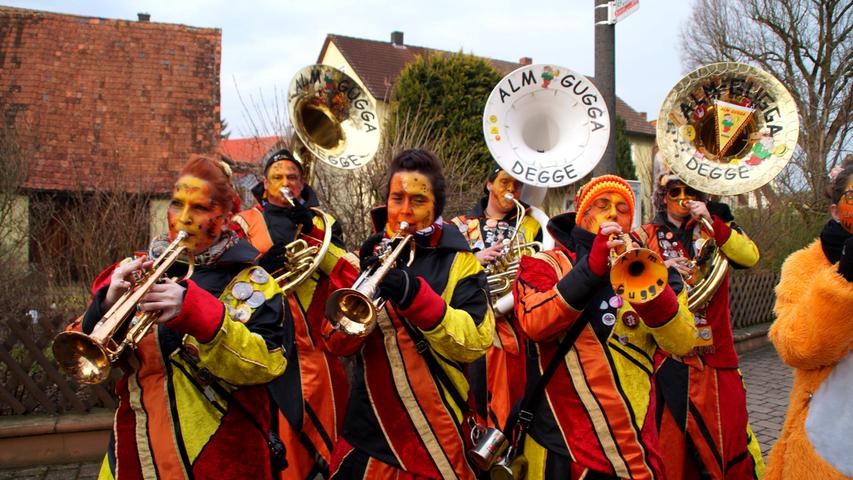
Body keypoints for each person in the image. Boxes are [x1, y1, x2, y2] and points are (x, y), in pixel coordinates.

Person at [82, 155, 291, 480]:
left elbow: (268, 365)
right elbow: (90, 346)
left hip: (218, 457)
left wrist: (197, 314)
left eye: (201, 208)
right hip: (134, 449)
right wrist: (108, 301)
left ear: (227, 215)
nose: (184, 219)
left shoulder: (254, 282)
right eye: (178, 204)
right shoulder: (138, 268)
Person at [322, 149, 495, 479]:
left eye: (418, 200)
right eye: (397, 198)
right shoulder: (366, 255)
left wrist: (415, 297)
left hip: (438, 431)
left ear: (436, 206)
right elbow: (333, 341)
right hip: (370, 430)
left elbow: (476, 341)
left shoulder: (462, 263)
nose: (404, 210)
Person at [513, 175, 697, 479]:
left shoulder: (657, 271)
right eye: (602, 205)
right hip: (558, 444)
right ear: (581, 213)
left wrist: (649, 294)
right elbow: (533, 323)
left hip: (631, 446)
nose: (613, 214)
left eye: (623, 209)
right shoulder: (544, 263)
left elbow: (683, 342)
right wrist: (591, 269)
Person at [233, 149, 356, 479]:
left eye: (292, 177)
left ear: (303, 183)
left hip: (317, 347)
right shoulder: (244, 222)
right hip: (266, 346)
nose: (285, 183)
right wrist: (262, 268)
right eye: (277, 177)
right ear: (264, 183)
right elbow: (229, 287)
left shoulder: (324, 222)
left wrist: (313, 232)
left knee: (331, 445)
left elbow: (346, 274)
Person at [635, 171, 764, 479]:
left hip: (715, 355)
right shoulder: (644, 233)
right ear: (663, 197)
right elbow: (629, 276)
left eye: (690, 192)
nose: (682, 198)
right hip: (666, 359)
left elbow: (749, 257)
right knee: (670, 452)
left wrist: (713, 221)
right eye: (674, 191)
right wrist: (659, 268)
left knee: (725, 445)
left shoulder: (716, 227)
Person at [766, 158, 853, 479]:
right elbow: (797, 348)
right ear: (834, 210)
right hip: (828, 443)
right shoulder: (804, 265)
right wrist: (844, 279)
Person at [451, 167, 543, 432]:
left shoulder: (532, 225)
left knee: (517, 405)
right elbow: (443, 269)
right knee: (471, 402)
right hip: (470, 325)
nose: (511, 190)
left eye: (517, 185)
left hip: (517, 329)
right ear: (489, 184)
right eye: (504, 182)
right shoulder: (459, 225)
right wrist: (473, 260)